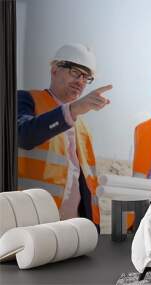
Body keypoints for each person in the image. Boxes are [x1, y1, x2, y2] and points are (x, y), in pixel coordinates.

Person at [17, 43, 112, 229]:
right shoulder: (25, 99)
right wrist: (74, 109)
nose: (81, 81)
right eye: (75, 72)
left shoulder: (81, 126)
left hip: (73, 227)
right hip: (32, 221)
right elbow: (24, 135)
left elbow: (85, 181)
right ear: (54, 70)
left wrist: (93, 226)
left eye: (86, 77)